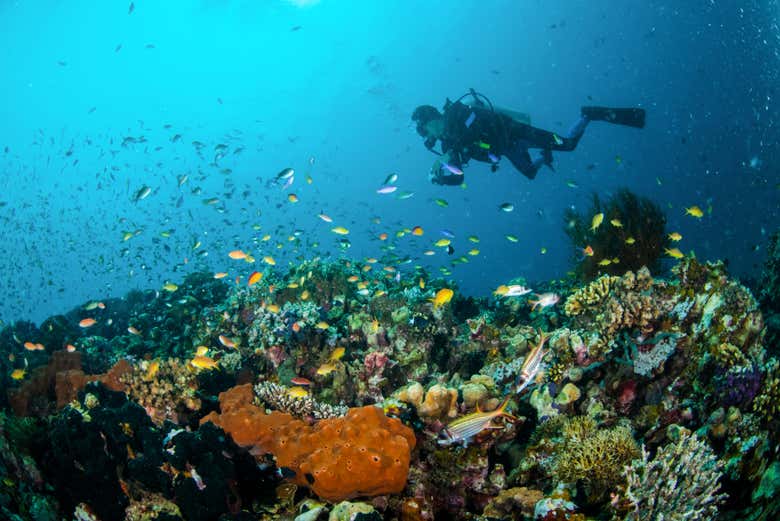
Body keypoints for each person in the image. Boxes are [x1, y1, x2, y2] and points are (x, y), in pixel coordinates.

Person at [412, 89, 646, 185]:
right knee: (531, 173)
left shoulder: (457, 112)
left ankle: (588, 115)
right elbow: (459, 177)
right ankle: (545, 157)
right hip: (506, 149)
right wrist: (442, 177)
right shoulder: (447, 142)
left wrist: (449, 152)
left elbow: (475, 127)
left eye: (424, 129)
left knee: (569, 145)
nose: (426, 135)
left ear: (432, 118)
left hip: (517, 133)